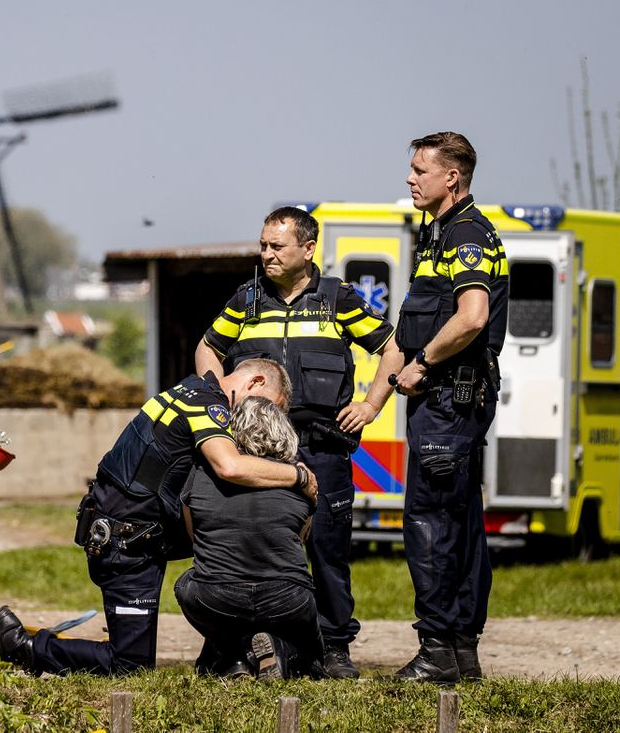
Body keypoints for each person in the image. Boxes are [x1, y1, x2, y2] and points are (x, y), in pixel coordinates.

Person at [0, 357, 315, 675]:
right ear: (254, 383)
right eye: (270, 406)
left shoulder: (192, 389)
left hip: (136, 534)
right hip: (126, 545)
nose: (264, 417)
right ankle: (16, 644)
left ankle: (228, 657)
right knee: (129, 666)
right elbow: (230, 466)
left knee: (230, 556)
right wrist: (299, 477)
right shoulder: (209, 404)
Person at [194, 206, 399, 679]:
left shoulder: (338, 300)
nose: (265, 254)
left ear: (308, 250)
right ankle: (248, 647)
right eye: (263, 245)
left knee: (328, 549)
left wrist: (371, 406)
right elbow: (209, 347)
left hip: (323, 448)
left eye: (276, 246)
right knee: (252, 546)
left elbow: (392, 349)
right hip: (259, 453)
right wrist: (217, 395)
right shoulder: (245, 300)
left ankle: (334, 649)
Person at [383, 131, 508, 683]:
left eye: (420, 170)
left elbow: (473, 315)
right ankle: (459, 652)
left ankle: (437, 651)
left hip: (448, 403)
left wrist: (424, 363)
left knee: (430, 524)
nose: (410, 178)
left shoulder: (465, 234)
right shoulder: (436, 237)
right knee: (458, 524)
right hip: (448, 405)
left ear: (451, 177)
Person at [175, 396, 325, 680]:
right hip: (288, 597)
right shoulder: (301, 480)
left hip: (215, 595)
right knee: (312, 655)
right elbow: (301, 538)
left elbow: (195, 537)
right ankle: (278, 650)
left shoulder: (200, 474)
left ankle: (235, 655)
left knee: (185, 586)